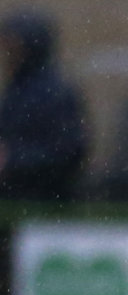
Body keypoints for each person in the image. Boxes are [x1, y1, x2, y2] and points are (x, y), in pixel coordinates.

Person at [0, 10, 88, 202]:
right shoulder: (15, 91)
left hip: (45, 203)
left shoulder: (55, 93)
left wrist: (13, 159)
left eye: (13, 47)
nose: (7, 55)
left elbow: (68, 152)